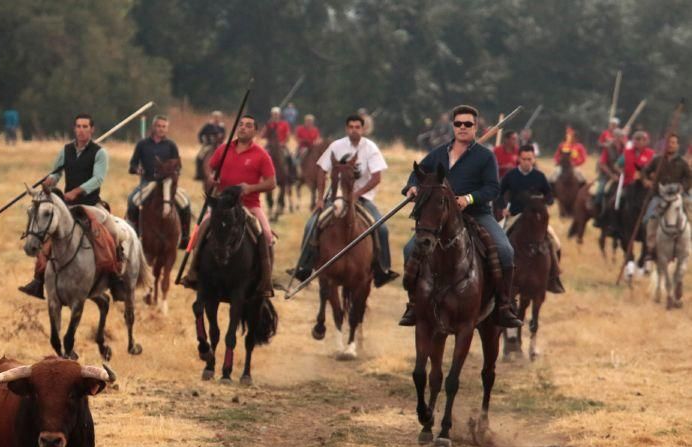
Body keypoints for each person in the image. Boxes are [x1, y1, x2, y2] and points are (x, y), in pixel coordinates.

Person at [400, 104, 522, 328]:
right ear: (453, 126)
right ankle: (414, 304)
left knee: (506, 251)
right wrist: (412, 187)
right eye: (458, 124)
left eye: (468, 124)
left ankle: (504, 306)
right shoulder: (438, 154)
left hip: (477, 214)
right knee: (410, 250)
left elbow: (492, 188)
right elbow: (418, 174)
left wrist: (469, 199)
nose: (463, 127)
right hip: (441, 217)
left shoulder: (485, 157)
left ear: (476, 127)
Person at [18, 113, 125, 299]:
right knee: (46, 233)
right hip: (67, 205)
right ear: (74, 129)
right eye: (78, 126)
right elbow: (56, 173)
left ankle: (114, 277)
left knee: (113, 231)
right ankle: (39, 278)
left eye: (85, 127)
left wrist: (76, 191)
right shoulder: (66, 150)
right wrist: (49, 182)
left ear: (92, 130)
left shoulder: (100, 153)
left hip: (91, 204)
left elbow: (98, 178)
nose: (81, 130)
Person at [290, 114, 397, 288]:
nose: (354, 130)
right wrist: (319, 198)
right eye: (351, 127)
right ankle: (304, 267)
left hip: (362, 199)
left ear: (363, 129)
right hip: (335, 198)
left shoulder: (370, 148)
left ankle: (382, 270)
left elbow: (377, 177)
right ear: (347, 129)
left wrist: (356, 194)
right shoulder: (336, 146)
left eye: (357, 127)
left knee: (382, 228)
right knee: (311, 225)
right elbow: (321, 171)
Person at [181, 114, 276, 296]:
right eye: (240, 124)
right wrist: (210, 177)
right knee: (202, 228)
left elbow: (272, 183)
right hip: (222, 204)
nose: (243, 128)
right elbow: (209, 166)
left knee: (266, 234)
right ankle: (193, 271)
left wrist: (251, 188)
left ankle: (266, 280)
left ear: (255, 132)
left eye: (248, 126)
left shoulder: (261, 155)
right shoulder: (224, 149)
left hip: (250, 205)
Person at [497, 145, 565, 293]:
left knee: (556, 243)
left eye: (530, 159)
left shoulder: (539, 177)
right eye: (524, 159)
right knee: (498, 242)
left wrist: (544, 201)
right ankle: (497, 276)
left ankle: (553, 277)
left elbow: (549, 196)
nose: (527, 162)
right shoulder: (510, 175)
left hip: (536, 219)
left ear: (534, 159)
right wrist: (503, 208)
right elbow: (499, 193)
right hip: (515, 215)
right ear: (518, 159)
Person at [126, 114, 191, 248]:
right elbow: (132, 165)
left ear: (167, 129)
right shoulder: (142, 144)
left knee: (185, 203)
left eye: (164, 127)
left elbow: (178, 166)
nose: (161, 129)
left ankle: (185, 237)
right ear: (153, 126)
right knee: (132, 201)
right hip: (148, 183)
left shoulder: (171, 145)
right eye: (158, 126)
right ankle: (134, 232)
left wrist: (175, 173)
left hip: (167, 184)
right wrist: (137, 169)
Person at [641, 133, 692, 260]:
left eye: (674, 142)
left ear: (677, 145)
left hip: (678, 196)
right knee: (650, 218)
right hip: (659, 196)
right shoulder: (657, 159)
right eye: (669, 142)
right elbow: (644, 171)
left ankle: (686, 244)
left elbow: (690, 178)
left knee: (690, 213)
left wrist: (682, 188)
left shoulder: (682, 162)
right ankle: (650, 249)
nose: (671, 145)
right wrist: (646, 181)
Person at [594, 127, 628, 219]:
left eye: (622, 137)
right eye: (619, 137)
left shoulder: (625, 149)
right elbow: (602, 164)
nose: (621, 139)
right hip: (607, 175)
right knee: (600, 190)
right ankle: (598, 212)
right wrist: (612, 175)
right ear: (615, 137)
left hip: (621, 175)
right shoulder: (608, 148)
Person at [195, 111, 225, 181]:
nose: (217, 119)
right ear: (213, 117)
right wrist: (202, 141)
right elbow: (200, 134)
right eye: (215, 117)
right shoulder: (208, 126)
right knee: (199, 157)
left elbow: (224, 136)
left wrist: (221, 141)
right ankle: (199, 174)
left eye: (218, 117)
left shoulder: (222, 127)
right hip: (208, 145)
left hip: (218, 146)